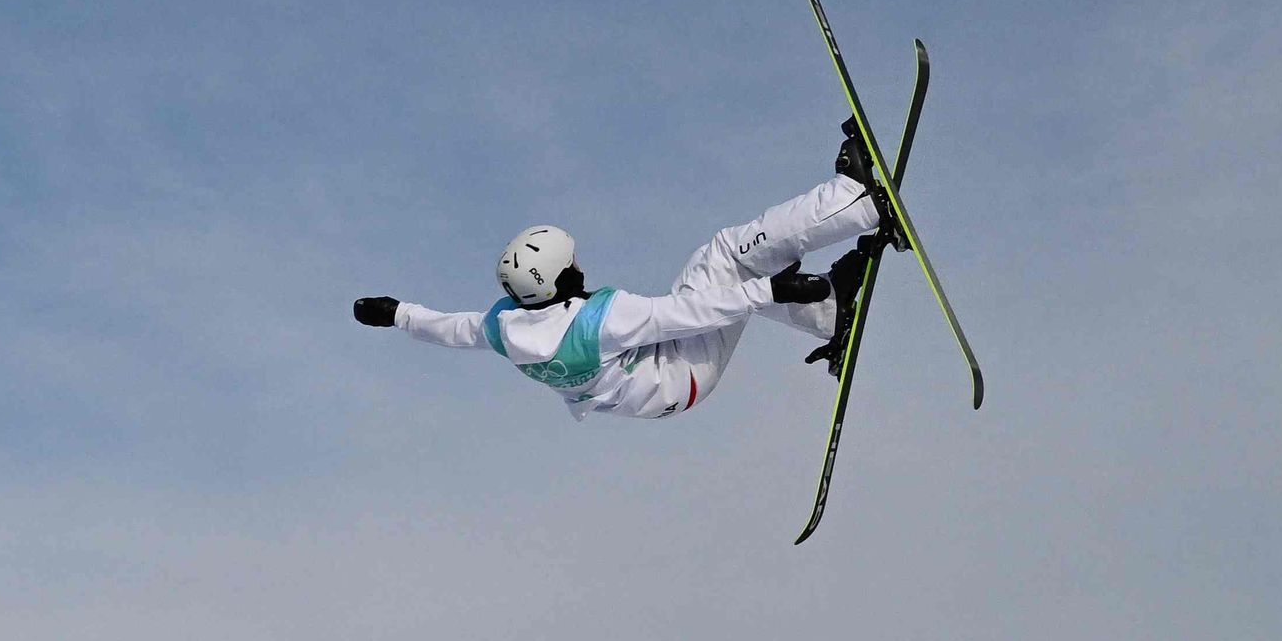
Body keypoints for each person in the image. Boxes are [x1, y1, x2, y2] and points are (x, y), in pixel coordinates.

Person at [352, 128, 898, 420]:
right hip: (679, 369)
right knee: (727, 255)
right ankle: (857, 202)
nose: (581, 268)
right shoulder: (599, 321)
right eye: (574, 265)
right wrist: (769, 289)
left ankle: (829, 312)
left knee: (718, 272)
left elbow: (453, 329)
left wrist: (397, 314)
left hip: (660, 392)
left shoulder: (507, 329)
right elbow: (687, 313)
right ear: (563, 279)